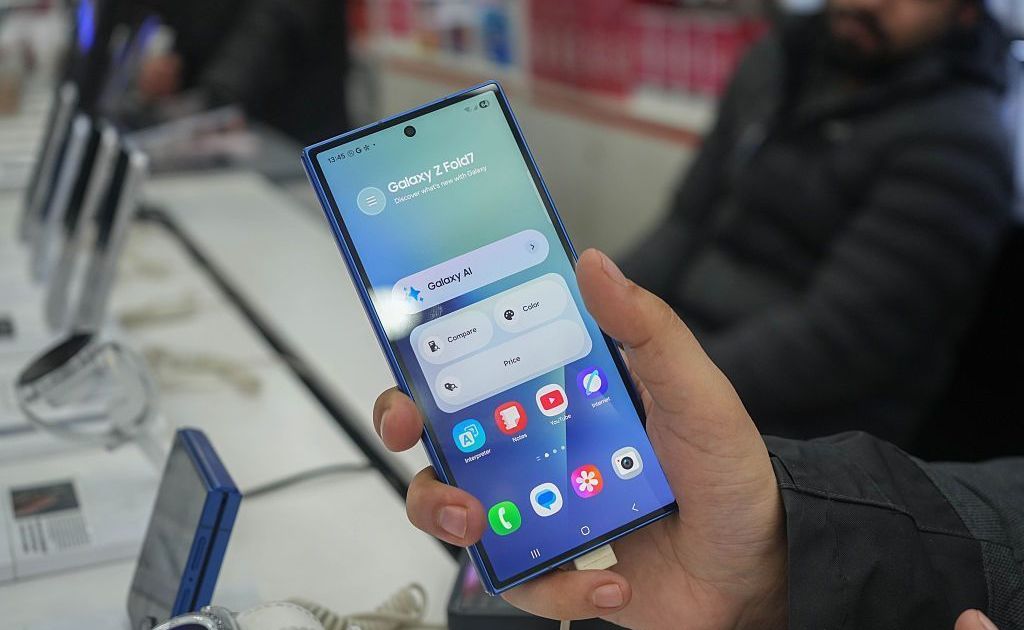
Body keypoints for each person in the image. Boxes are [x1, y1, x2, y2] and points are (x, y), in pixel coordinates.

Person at [373, 249, 1023, 629]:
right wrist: (598, 335)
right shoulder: (774, 73)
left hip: (790, 405)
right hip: (746, 464)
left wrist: (673, 376)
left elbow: (839, 331)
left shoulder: (952, 135)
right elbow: (683, 228)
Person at [619, 0, 1016, 447]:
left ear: (964, 11)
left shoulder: (959, 143)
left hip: (807, 434)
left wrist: (656, 386)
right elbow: (685, 222)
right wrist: (597, 316)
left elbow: (838, 341)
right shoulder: (778, 61)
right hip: (683, 356)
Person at [132, 0, 349, 144]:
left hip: (296, 127)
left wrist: (217, 95)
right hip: (217, 120)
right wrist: (155, 54)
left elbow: (273, 21)